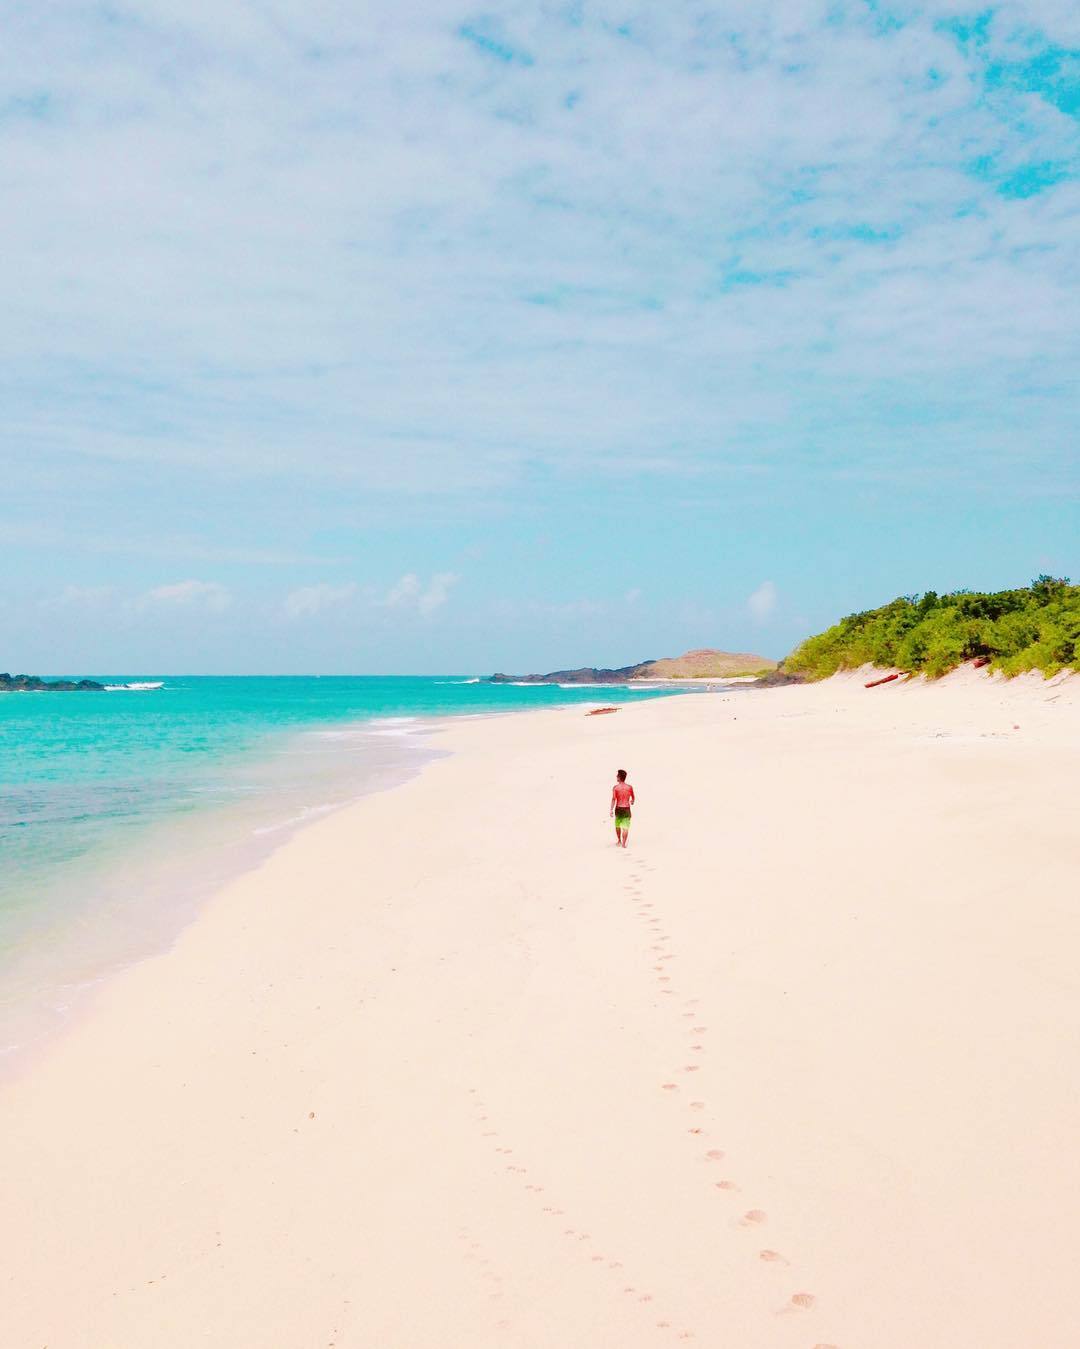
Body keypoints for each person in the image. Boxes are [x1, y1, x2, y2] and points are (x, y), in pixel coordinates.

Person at [610, 768, 635, 848]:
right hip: (627, 808)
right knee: (625, 827)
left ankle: (619, 841)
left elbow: (614, 799)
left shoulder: (615, 788)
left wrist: (611, 809)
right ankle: (624, 844)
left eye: (617, 776)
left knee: (617, 825)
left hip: (618, 808)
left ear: (619, 777)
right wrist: (632, 801)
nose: (616, 777)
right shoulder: (629, 787)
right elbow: (633, 798)